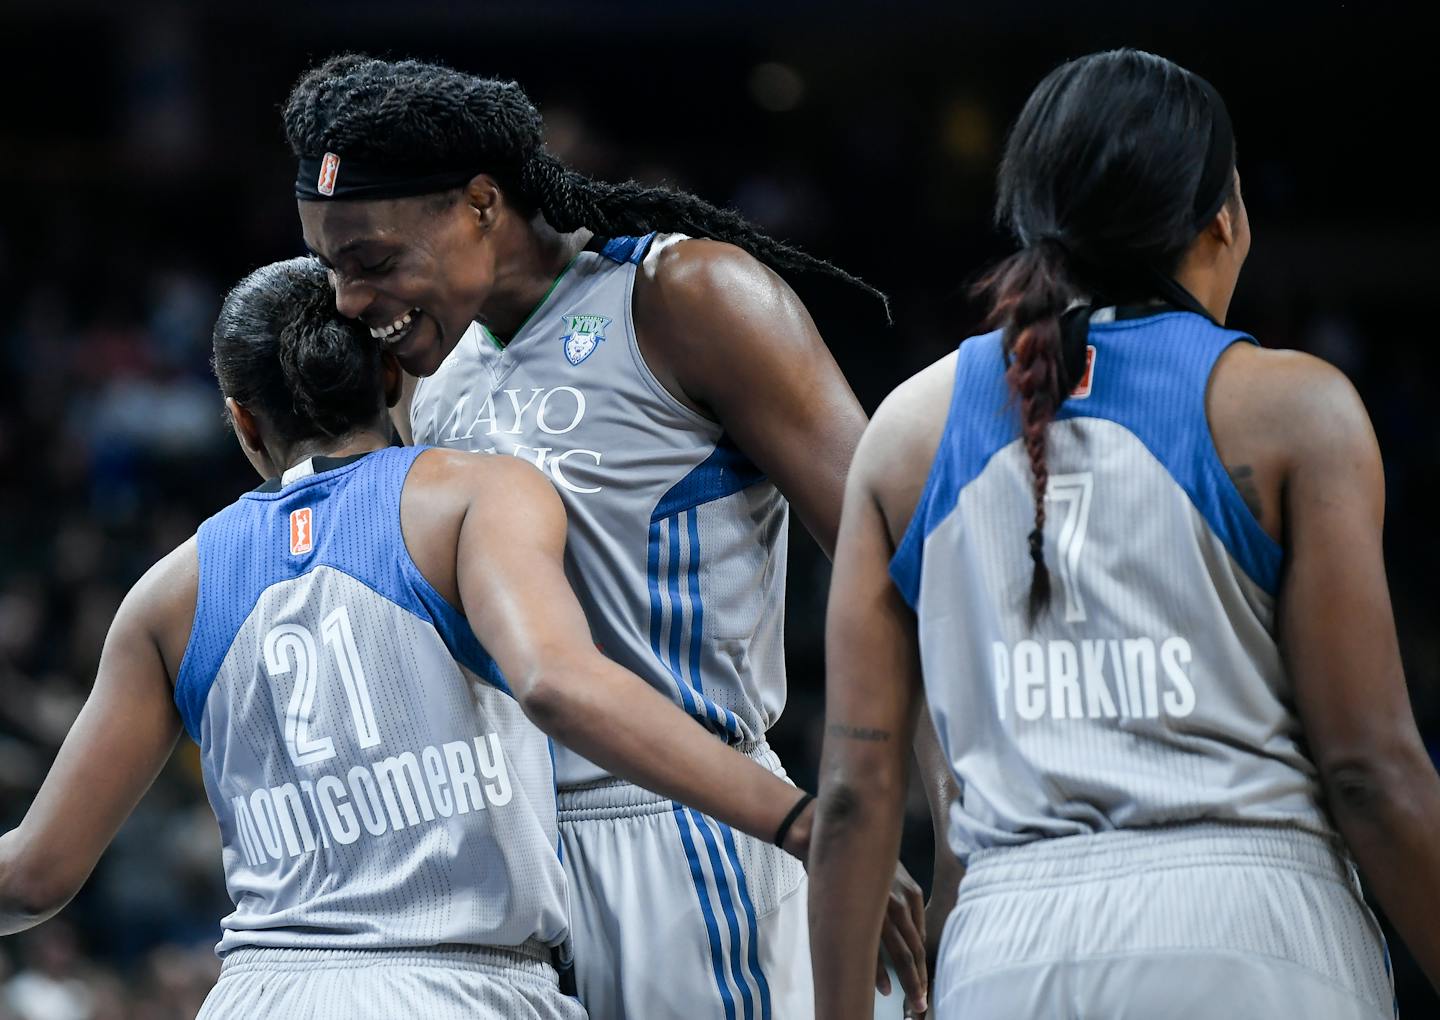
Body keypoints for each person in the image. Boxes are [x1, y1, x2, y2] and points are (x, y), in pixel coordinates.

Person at [283, 54, 951, 1019]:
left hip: (688, 837)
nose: (349, 301)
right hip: (501, 866)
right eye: (332, 266)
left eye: (375, 262)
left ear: (480, 203)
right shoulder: (436, 372)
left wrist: (906, 826)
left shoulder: (686, 297)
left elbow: (899, 574)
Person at [0, 257, 832, 1018]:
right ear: (392, 372)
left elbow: (34, 873)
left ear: (244, 424)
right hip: (459, 984)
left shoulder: (166, 595)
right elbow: (560, 682)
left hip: (257, 993)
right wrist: (802, 820)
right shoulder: (475, 498)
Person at [808, 48, 1440, 1019]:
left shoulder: (905, 430)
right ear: (1221, 220)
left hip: (1008, 948)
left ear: (1034, 225)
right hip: (1255, 935)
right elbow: (1370, 774)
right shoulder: (1293, 409)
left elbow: (854, 796)